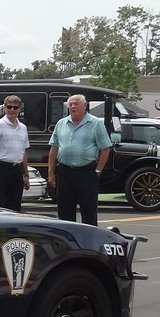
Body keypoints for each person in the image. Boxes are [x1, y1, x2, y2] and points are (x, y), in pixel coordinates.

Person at [47, 94, 112, 225]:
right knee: (64, 210)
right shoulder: (61, 123)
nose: (72, 107)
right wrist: (51, 173)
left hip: (87, 172)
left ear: (85, 106)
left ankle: (89, 241)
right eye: (70, 104)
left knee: (88, 210)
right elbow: (54, 148)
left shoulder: (95, 123)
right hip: (65, 172)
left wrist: (98, 170)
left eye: (76, 104)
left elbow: (105, 148)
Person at [0, 95, 31, 212]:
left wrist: (26, 175)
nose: (12, 110)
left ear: (19, 109)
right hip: (1, 168)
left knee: (15, 205)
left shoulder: (23, 128)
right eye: (9, 107)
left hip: (17, 169)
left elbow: (24, 152)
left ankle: (13, 229)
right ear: (4, 108)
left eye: (15, 108)